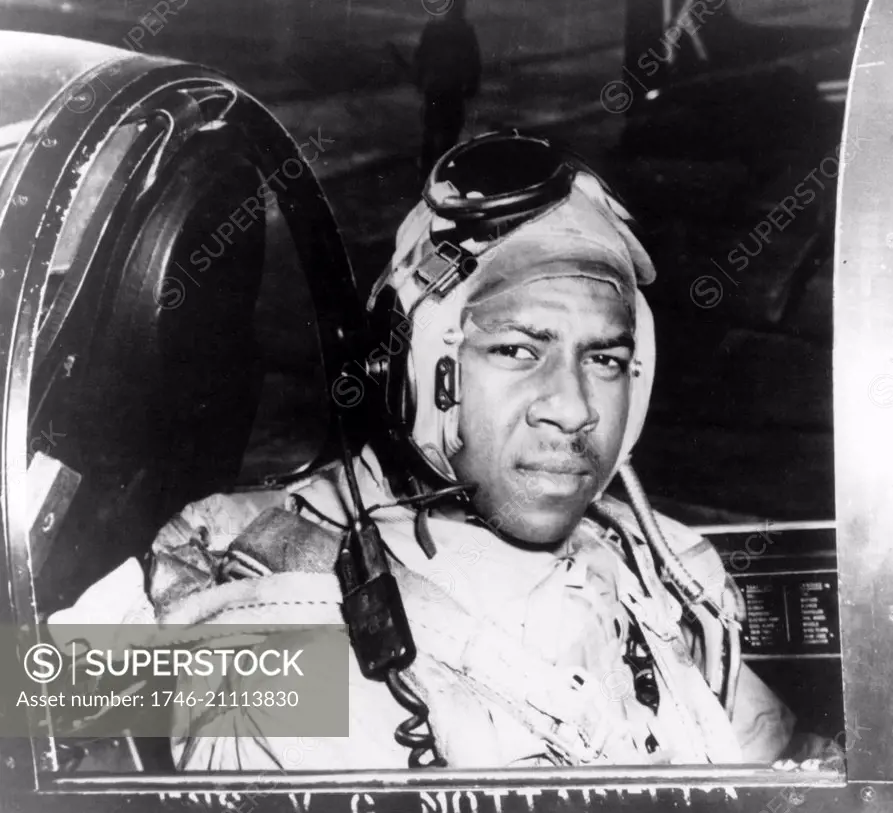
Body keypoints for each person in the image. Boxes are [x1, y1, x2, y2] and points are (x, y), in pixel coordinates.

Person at [47, 133, 833, 772]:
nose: (573, 408)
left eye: (604, 359)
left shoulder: (654, 570)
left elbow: (789, 759)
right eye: (521, 350)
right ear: (421, 371)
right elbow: (42, 711)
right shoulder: (273, 611)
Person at [413, 0, 481, 181]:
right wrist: (472, 85)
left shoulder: (434, 29)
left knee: (432, 131)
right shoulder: (465, 32)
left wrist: (419, 79)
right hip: (453, 88)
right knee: (449, 132)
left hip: (436, 87)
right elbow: (474, 61)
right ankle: (439, 172)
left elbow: (420, 57)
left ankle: (426, 171)